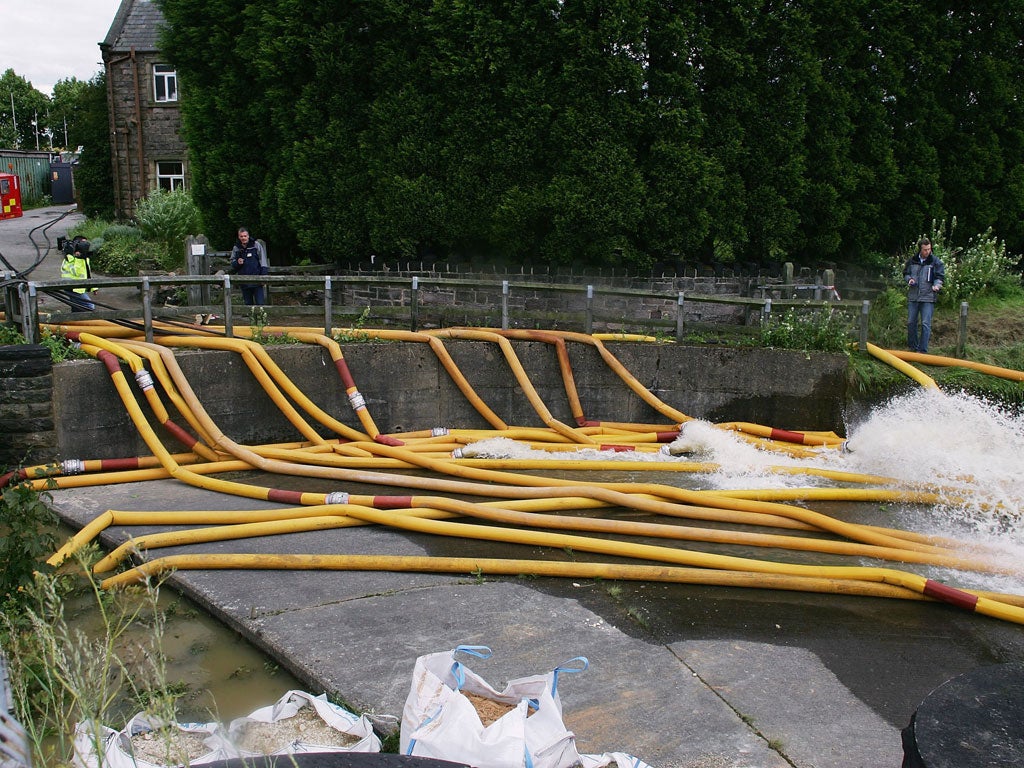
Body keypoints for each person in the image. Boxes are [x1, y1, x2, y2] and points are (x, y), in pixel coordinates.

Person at [903, 237, 945, 353]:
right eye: (925, 250)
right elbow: (905, 274)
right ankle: (912, 347)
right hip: (913, 297)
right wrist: (909, 279)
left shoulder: (936, 262)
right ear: (920, 250)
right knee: (911, 322)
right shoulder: (912, 261)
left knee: (926, 324)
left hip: (928, 297)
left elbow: (940, 277)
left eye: (929, 249)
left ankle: (922, 350)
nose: (928, 252)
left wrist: (937, 285)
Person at [230, 227, 269, 305]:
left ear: (248, 236)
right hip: (244, 281)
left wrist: (263, 276)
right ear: (239, 237)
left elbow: (263, 260)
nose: (243, 238)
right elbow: (232, 262)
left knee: (260, 304)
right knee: (248, 304)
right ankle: (250, 317)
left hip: (257, 280)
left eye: (245, 236)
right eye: (241, 236)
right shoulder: (236, 248)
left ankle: (260, 317)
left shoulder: (256, 245)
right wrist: (237, 262)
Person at [59, 237, 96, 311]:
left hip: (76, 287)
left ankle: (75, 321)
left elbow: (87, 274)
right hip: (72, 287)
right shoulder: (71, 258)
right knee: (89, 306)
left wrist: (93, 288)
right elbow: (77, 272)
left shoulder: (84, 258)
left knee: (77, 307)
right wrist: (78, 258)